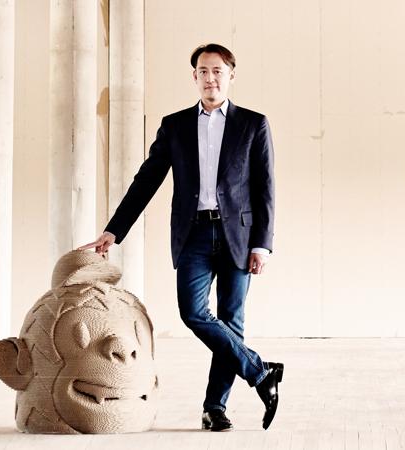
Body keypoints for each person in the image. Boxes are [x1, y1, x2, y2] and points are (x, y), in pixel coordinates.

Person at [79, 43, 282, 432]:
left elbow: (265, 188)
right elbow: (147, 180)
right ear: (194, 77)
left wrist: (262, 244)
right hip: (194, 234)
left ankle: (214, 408)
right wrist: (114, 230)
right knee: (193, 312)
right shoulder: (175, 126)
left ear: (231, 75)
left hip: (239, 236)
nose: (210, 78)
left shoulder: (253, 124)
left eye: (218, 71)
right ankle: (260, 372)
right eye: (203, 71)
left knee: (231, 321)